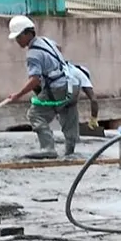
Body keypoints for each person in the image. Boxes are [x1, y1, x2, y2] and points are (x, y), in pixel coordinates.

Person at [6, 16, 79, 159]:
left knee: (35, 114)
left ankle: (48, 148)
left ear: (28, 33)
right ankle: (70, 150)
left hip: (58, 88)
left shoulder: (33, 54)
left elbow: (35, 79)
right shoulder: (45, 41)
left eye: (19, 37)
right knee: (68, 112)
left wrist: (18, 95)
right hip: (73, 83)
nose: (17, 41)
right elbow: (59, 48)